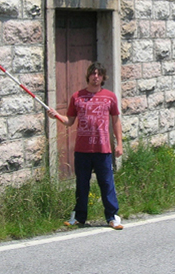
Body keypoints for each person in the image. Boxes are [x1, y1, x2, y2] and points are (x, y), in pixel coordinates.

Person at [50, 62, 124, 230]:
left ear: (103, 77)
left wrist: (119, 143)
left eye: (99, 74)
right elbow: (69, 121)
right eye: (93, 73)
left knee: (107, 183)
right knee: (82, 184)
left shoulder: (110, 97)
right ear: (88, 76)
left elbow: (116, 120)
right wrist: (56, 115)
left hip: (102, 149)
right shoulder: (77, 97)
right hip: (82, 150)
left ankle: (112, 217)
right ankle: (79, 217)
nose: (95, 77)